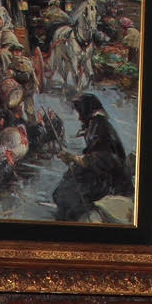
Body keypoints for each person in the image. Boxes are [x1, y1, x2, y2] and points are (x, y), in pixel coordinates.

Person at [52, 92, 132, 221]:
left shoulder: (100, 127)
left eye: (80, 113)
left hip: (110, 180)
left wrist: (74, 158)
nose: (79, 118)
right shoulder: (96, 124)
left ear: (87, 111)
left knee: (68, 194)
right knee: (65, 186)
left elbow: (103, 159)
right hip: (102, 173)